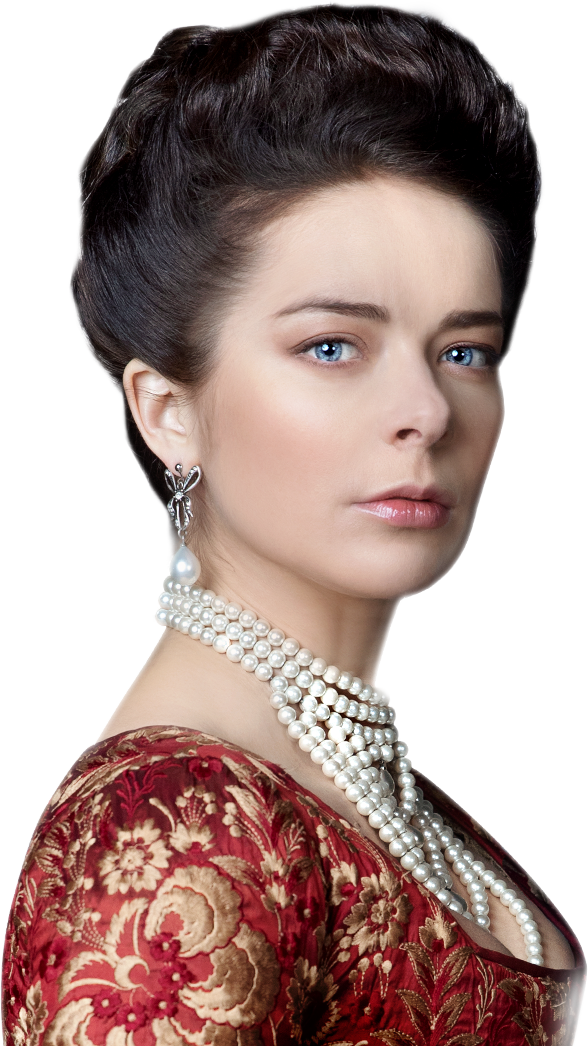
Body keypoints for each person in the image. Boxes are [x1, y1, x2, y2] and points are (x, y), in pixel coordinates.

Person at [3, 3, 586, 1043]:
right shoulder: (175, 829)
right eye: (332, 346)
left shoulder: (398, 804)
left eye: (465, 351)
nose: (427, 410)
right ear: (167, 410)